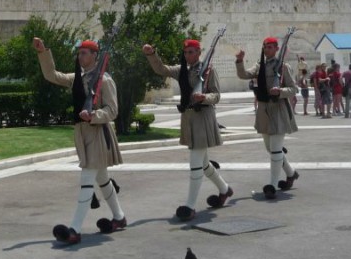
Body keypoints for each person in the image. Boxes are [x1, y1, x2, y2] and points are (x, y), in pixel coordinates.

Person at [33, 36, 126, 245]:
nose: (80, 55)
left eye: (84, 52)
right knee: (102, 179)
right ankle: (119, 217)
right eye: (79, 52)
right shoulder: (77, 78)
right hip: (82, 132)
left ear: (95, 56)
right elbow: (51, 75)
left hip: (97, 133)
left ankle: (74, 229)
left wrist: (93, 116)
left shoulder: (106, 80)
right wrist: (43, 52)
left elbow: (112, 110)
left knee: (87, 180)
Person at [143, 39, 232, 220]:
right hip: (188, 118)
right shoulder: (182, 69)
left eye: (191, 52)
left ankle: (190, 206)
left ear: (199, 52)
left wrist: (204, 97)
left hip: (203, 118)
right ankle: (224, 189)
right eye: (186, 52)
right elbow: (161, 69)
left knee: (195, 163)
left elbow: (216, 95)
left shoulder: (208, 70)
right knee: (204, 164)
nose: (188, 55)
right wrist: (151, 55)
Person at [236, 36, 299, 199]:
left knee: (276, 149)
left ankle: (272, 184)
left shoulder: (283, 66)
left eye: (270, 47)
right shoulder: (259, 66)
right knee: (270, 149)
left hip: (278, 109)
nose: (267, 49)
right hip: (264, 110)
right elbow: (243, 75)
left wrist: (281, 92)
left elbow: (293, 89)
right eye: (265, 47)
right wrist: (239, 61)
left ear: (277, 49)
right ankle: (291, 173)